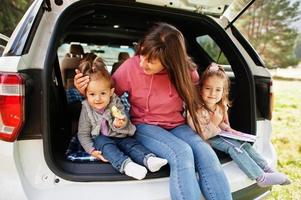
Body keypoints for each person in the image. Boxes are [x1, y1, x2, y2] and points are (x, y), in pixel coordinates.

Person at [75, 23, 232, 200]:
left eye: (150, 60)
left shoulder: (187, 72)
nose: (142, 63)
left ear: (170, 60)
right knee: (182, 153)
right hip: (144, 126)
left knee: (206, 153)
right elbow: (105, 96)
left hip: (177, 125)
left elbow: (203, 101)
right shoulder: (130, 67)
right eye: (142, 54)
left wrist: (222, 117)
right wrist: (85, 90)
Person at [187, 63, 291, 188]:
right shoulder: (197, 110)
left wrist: (228, 129)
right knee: (234, 148)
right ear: (200, 89)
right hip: (205, 139)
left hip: (218, 133)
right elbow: (202, 134)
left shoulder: (219, 106)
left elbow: (221, 123)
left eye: (218, 90)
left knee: (244, 145)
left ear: (223, 92)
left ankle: (267, 169)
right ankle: (260, 177)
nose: (212, 93)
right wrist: (214, 122)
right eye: (208, 88)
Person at [77, 57, 168, 180]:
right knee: (104, 145)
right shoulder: (86, 108)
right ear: (86, 94)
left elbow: (124, 119)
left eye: (102, 93)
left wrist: (120, 123)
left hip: (119, 135)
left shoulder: (116, 102)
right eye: (92, 94)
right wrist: (91, 150)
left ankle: (148, 159)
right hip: (100, 139)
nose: (97, 99)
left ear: (111, 92)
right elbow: (83, 133)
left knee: (131, 144)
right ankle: (127, 165)